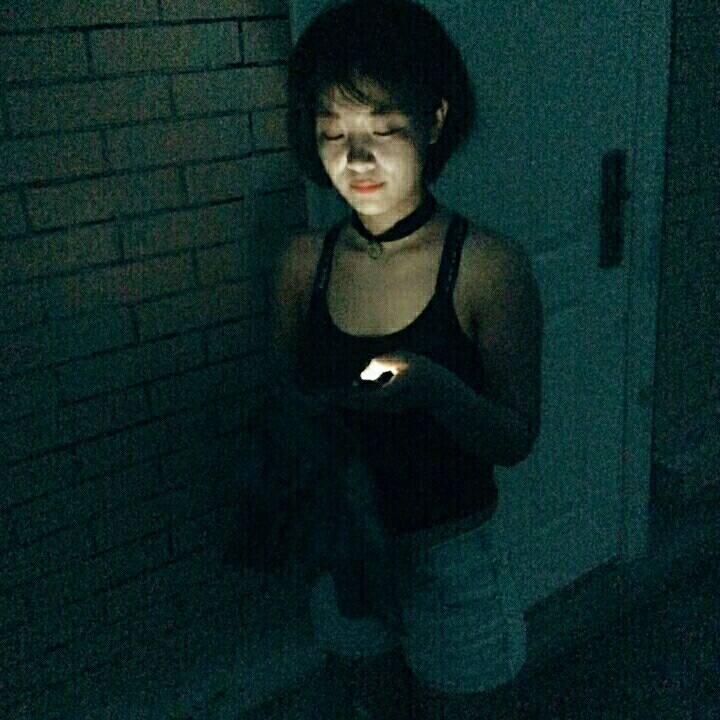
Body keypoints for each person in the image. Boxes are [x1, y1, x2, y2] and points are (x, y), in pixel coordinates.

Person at [260, 0, 543, 717]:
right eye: (332, 132)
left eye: (382, 130)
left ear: (435, 119)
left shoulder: (486, 267)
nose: (355, 160)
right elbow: (288, 407)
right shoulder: (303, 264)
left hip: (451, 562)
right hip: (345, 550)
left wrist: (437, 389)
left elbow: (515, 438)